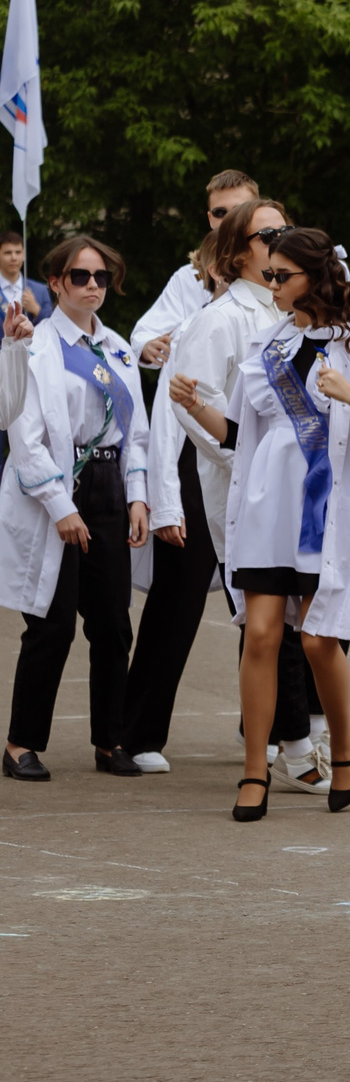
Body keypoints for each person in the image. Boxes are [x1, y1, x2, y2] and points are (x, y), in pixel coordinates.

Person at [166, 228, 350, 820]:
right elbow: (242, 437)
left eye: (280, 276)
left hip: (325, 511)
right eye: (268, 274)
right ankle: (254, 771)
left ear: (314, 278)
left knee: (319, 639)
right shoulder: (266, 346)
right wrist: (197, 408)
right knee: (264, 634)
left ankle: (343, 752)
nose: (269, 284)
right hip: (268, 512)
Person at [129, 198, 295, 773]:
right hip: (200, 468)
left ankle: (279, 735)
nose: (222, 217)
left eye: (278, 228)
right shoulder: (193, 287)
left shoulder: (288, 296)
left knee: (276, 611)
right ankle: (139, 731)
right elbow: (172, 377)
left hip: (273, 478)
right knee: (178, 604)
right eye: (216, 211)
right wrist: (151, 347)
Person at [0, 237, 153, 780]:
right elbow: (23, 434)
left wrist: (138, 495)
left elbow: (137, 433)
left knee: (112, 625)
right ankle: (21, 743)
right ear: (57, 282)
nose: (93, 285)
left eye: (102, 278)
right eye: (81, 276)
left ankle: (109, 742)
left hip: (111, 490)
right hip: (56, 498)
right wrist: (61, 506)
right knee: (52, 623)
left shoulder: (117, 348)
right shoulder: (33, 345)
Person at [132, 169, 261, 366]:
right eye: (220, 212)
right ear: (210, 219)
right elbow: (144, 336)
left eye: (239, 210)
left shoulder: (281, 272)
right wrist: (148, 346)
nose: (229, 220)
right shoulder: (188, 277)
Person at [0, 232, 50, 326]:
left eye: (18, 252)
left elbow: (52, 328)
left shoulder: (41, 290)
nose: (14, 258)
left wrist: (36, 310)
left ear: (23, 255)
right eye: (8, 253)